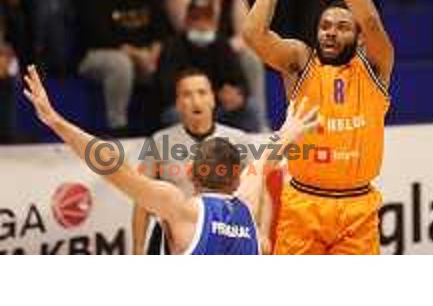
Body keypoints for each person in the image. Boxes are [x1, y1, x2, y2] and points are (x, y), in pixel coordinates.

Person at [23, 64, 318, 255]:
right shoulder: (247, 204)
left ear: (191, 172)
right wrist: (289, 130)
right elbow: (265, 158)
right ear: (236, 177)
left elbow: (112, 165)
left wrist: (57, 122)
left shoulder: (179, 208)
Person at [243, 0, 394, 254]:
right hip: (303, 205)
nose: (330, 31)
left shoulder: (374, 65)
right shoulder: (299, 60)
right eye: (325, 25)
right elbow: (252, 35)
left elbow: (370, 20)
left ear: (357, 38)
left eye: (342, 26)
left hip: (357, 208)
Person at [133, 67, 262, 254]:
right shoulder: (160, 141)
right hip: (172, 238)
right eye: (187, 94)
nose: (196, 101)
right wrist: (137, 249)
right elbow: (141, 198)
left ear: (212, 98)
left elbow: (256, 190)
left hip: (223, 233)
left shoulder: (238, 139)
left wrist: (259, 231)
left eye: (202, 93)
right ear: (177, 103)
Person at [165, 0, 269, 129]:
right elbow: (187, 33)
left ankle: (262, 125)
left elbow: (247, 35)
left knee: (249, 101)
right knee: (176, 114)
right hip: (189, 79)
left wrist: (237, 95)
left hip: (221, 76)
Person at [78, 0, 167, 133]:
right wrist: (137, 54)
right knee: (120, 63)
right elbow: (101, 37)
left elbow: (161, 31)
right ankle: (117, 126)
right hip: (98, 54)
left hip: (142, 55)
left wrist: (153, 54)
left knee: (167, 58)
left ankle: (163, 122)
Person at [159, 0, 261, 132]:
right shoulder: (173, 46)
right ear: (187, 22)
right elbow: (165, 89)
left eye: (206, 19)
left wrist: (237, 95)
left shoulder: (222, 45)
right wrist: (195, 99)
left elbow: (241, 83)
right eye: (196, 19)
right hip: (187, 107)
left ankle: (250, 150)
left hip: (219, 108)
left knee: (251, 109)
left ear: (214, 23)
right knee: (174, 116)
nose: (201, 24)